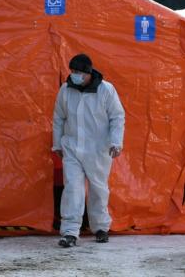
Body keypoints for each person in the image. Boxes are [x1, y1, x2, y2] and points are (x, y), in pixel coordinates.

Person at [52, 53, 125, 248]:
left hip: (98, 149)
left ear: (88, 73)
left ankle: (100, 227)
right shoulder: (66, 90)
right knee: (73, 189)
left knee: (98, 189)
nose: (74, 75)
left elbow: (117, 117)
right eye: (72, 71)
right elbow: (59, 118)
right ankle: (69, 232)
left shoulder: (106, 90)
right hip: (72, 148)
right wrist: (57, 145)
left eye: (78, 72)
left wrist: (116, 142)